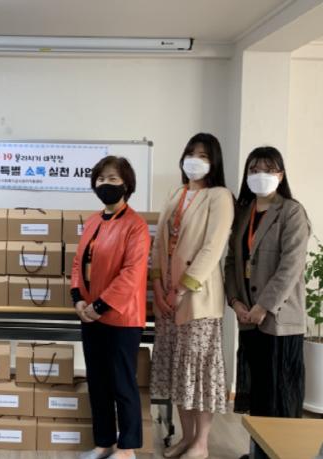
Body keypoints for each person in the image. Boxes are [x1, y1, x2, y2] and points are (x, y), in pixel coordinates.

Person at [149, 133, 234, 459]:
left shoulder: (219, 196)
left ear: (214, 162)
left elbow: (213, 247)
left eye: (203, 155)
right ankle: (186, 438)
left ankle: (201, 444)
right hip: (167, 299)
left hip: (197, 299)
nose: (194, 160)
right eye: (190, 153)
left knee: (198, 372)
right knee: (177, 372)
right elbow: (159, 244)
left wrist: (182, 288)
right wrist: (158, 286)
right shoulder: (176, 194)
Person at [224, 147, 309, 459]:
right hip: (248, 317)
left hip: (279, 320)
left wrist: (263, 306)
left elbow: (291, 267)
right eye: (254, 169)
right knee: (259, 393)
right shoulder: (243, 213)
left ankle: (283, 455)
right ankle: (258, 453)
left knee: (281, 395)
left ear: (281, 175)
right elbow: (231, 263)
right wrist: (235, 301)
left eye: (268, 169)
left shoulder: (291, 212)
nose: (261, 175)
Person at [70, 156, 151, 459]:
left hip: (121, 317)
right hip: (90, 315)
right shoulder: (92, 221)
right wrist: (78, 298)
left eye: (113, 179)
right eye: (101, 179)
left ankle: (127, 449)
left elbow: (132, 273)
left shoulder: (136, 226)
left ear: (126, 184)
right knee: (98, 383)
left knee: (122, 383)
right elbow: (78, 262)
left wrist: (100, 306)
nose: (106, 184)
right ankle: (103, 442)